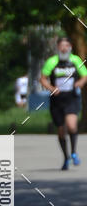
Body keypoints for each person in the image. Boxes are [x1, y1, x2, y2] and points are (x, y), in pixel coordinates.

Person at [39, 36, 87, 169]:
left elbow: (85, 75)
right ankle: (65, 157)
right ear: (58, 47)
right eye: (61, 45)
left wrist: (79, 83)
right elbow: (42, 79)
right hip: (57, 100)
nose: (64, 48)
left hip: (71, 98)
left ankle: (73, 153)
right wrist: (52, 88)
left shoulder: (75, 60)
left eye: (66, 45)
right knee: (61, 129)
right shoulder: (52, 61)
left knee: (72, 126)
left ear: (70, 47)